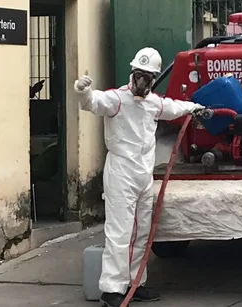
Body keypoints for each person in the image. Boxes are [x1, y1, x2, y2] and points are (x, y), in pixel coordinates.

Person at [73, 47, 205, 307]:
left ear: (154, 78)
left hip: (144, 174)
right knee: (120, 232)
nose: (142, 81)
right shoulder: (116, 99)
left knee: (141, 232)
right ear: (132, 73)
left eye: (148, 76)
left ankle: (136, 282)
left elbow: (173, 107)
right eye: (139, 74)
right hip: (121, 171)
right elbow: (92, 103)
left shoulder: (153, 102)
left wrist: (194, 107)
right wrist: (83, 92)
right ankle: (112, 288)